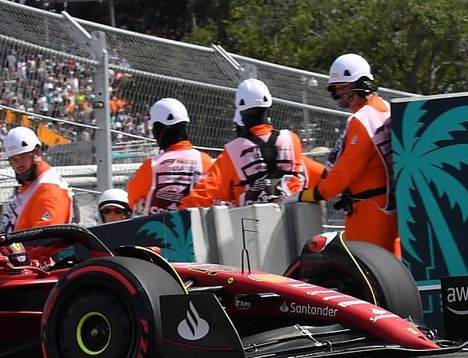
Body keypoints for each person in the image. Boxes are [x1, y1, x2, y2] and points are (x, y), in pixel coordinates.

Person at [301, 54, 398, 256]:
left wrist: (318, 193)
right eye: (338, 91)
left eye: (344, 88)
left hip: (368, 214)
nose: (341, 96)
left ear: (362, 84)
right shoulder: (386, 109)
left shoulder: (361, 120)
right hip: (390, 208)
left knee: (368, 273)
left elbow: (346, 170)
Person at [181, 79, 324, 209]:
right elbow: (323, 175)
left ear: (241, 113)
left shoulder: (232, 152)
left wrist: (173, 216)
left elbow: (204, 194)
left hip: (253, 228)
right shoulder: (292, 140)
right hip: (294, 221)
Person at [127, 98, 213, 215]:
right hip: (199, 230)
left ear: (159, 129)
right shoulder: (205, 161)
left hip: (161, 231)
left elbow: (132, 200)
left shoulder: (152, 165)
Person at [0, 126, 74, 233]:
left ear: (37, 154)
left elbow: (45, 242)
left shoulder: (48, 190)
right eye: (14, 160)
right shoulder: (30, 183)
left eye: (23, 157)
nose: (19, 165)